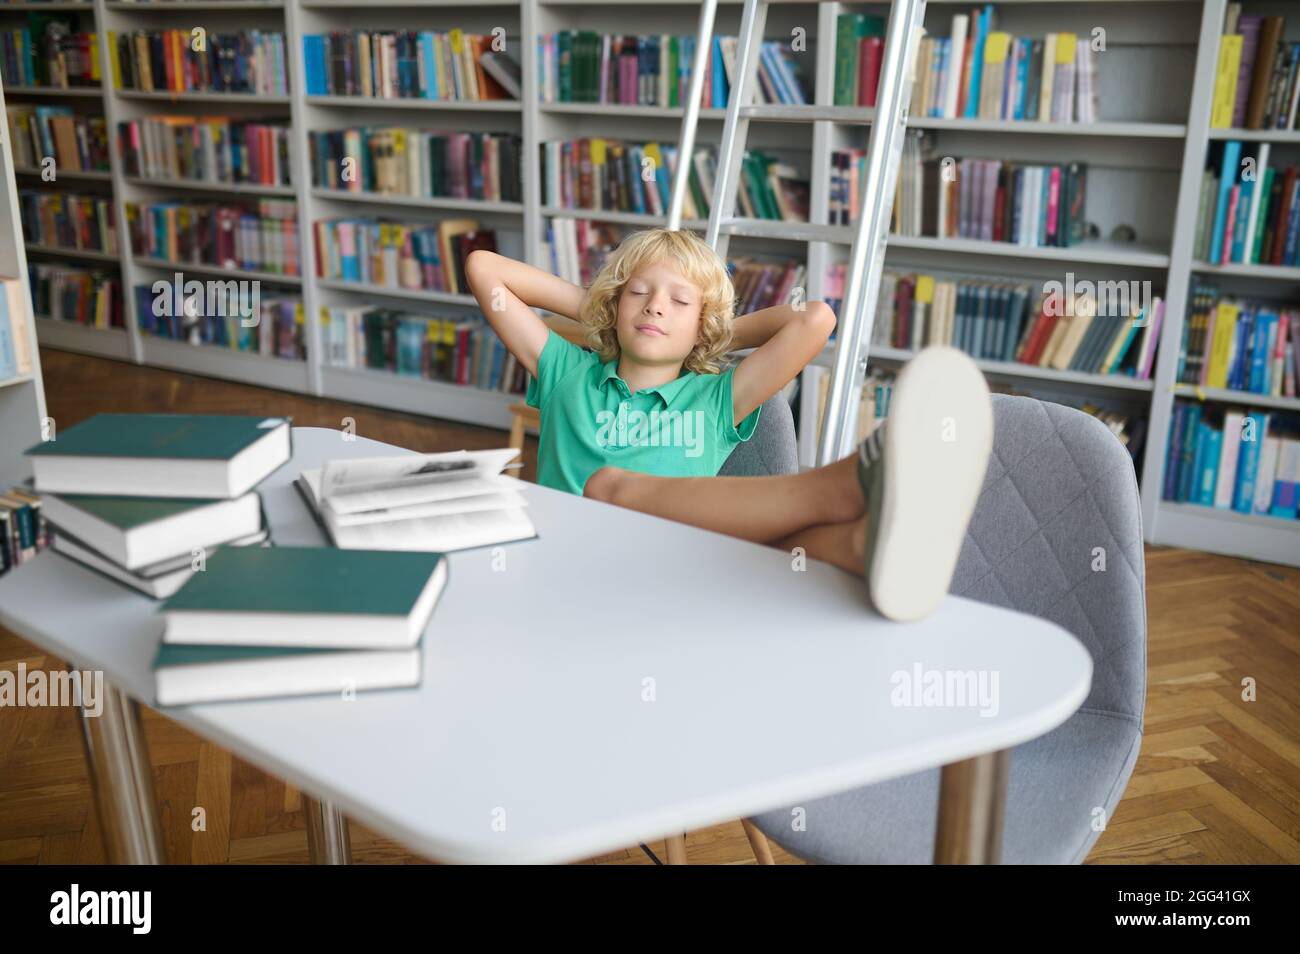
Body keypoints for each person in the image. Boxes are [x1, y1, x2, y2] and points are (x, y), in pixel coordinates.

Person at [466, 228, 992, 620]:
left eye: (678, 302)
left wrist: (710, 335)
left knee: (767, 552)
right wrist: (601, 309)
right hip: (572, 569)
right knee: (606, 487)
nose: (655, 308)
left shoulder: (716, 397)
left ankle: (859, 543)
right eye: (639, 293)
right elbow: (485, 269)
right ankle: (845, 495)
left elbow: (816, 321)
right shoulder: (567, 372)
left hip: (679, 577)